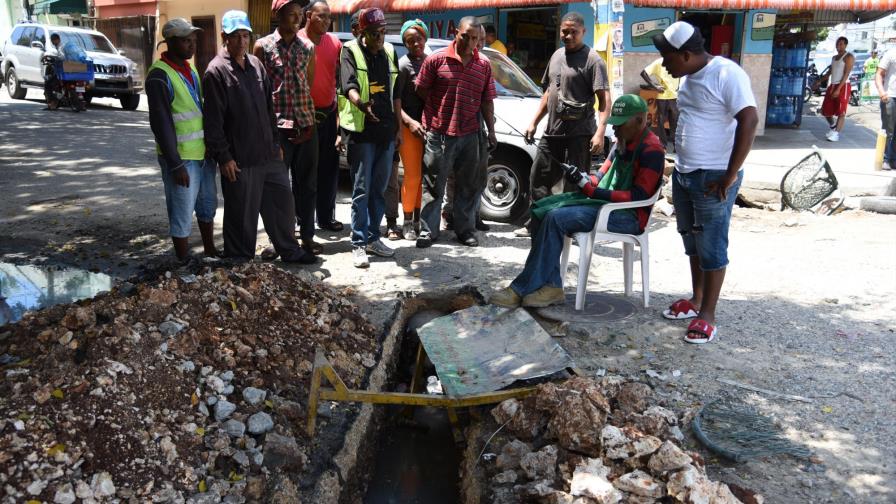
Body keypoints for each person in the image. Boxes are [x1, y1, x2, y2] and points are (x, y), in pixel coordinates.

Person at [490, 95, 664, 308]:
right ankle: (552, 285)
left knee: (556, 218)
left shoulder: (652, 150)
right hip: (603, 206)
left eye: (620, 125)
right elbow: (598, 177)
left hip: (628, 216)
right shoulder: (621, 142)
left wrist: (594, 192)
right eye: (614, 125)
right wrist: (581, 178)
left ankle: (522, 288)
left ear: (639, 120)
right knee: (540, 210)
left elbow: (639, 197)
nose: (616, 130)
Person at [652, 21, 758, 344]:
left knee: (712, 244)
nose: (664, 64)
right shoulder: (688, 77)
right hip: (685, 173)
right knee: (692, 241)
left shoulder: (727, 74)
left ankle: (708, 315)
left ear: (685, 55)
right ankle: (696, 300)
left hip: (714, 178)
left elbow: (749, 119)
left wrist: (729, 174)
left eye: (667, 58)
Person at [203, 10, 315, 264]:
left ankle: (289, 250)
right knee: (242, 213)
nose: (242, 42)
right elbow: (213, 123)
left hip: (268, 153)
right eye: (236, 36)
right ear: (224, 37)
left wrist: (276, 143)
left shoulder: (255, 65)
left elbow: (268, 109)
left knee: (282, 204)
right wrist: (224, 157)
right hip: (240, 158)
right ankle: (239, 258)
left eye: (246, 35)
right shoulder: (216, 71)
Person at [516, 12, 610, 238]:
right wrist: (534, 122)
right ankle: (536, 224)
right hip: (552, 131)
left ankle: (571, 229)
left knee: (576, 182)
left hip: (580, 133)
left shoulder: (593, 60)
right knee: (538, 177)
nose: (568, 36)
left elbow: (605, 100)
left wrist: (599, 133)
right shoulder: (557, 55)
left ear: (583, 32)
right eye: (564, 31)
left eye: (573, 32)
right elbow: (549, 92)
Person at [414, 16, 497, 248]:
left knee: (468, 186)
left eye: (475, 38)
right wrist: (436, 115)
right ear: (456, 33)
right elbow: (421, 90)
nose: (471, 42)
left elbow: (487, 101)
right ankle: (428, 232)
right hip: (439, 134)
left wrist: (491, 131)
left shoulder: (483, 65)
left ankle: (465, 230)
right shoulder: (436, 59)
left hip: (470, 134)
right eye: (466, 36)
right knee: (433, 184)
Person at [146, 18, 219, 263]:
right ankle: (183, 260)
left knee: (207, 205)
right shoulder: (159, 76)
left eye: (194, 40)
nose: (192, 45)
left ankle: (210, 251)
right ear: (171, 42)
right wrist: (174, 163)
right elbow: (161, 123)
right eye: (186, 40)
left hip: (202, 154)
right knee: (181, 210)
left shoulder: (191, 70)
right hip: (181, 157)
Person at [255, 0, 321, 257]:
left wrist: (306, 120)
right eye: (290, 14)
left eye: (299, 15)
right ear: (277, 15)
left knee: (307, 186)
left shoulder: (308, 47)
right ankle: (278, 239)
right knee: (277, 189)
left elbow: (309, 83)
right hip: (277, 129)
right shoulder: (263, 46)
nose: (296, 19)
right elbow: (259, 88)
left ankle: (306, 236)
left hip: (306, 126)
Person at [338, 8, 402, 268]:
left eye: (383, 32)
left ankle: (374, 238)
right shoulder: (350, 51)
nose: (380, 38)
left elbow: (396, 92)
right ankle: (358, 243)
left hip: (385, 131)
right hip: (361, 131)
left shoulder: (389, 52)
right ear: (362, 32)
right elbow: (348, 86)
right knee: (361, 189)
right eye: (374, 33)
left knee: (379, 188)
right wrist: (362, 105)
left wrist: (397, 128)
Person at [298, 0, 345, 232]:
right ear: (308, 15)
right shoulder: (296, 42)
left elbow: (340, 84)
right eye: (321, 17)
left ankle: (326, 217)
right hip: (302, 117)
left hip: (328, 114)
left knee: (329, 169)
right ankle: (302, 221)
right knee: (305, 172)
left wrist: (339, 126)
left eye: (329, 18)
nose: (326, 22)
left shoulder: (335, 43)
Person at [395, 19, 429, 240]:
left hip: (429, 129)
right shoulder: (403, 65)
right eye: (410, 41)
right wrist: (408, 123)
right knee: (412, 176)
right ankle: (407, 221)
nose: (415, 43)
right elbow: (395, 100)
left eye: (418, 38)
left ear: (424, 38)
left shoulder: (431, 61)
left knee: (425, 178)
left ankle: (419, 219)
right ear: (405, 44)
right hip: (409, 128)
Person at [641, 56, 680, 152]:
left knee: (675, 121)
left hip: (675, 96)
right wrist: (654, 86)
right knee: (661, 121)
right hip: (663, 97)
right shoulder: (658, 62)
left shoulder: (676, 60)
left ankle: (676, 146)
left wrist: (680, 86)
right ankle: (663, 145)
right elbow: (643, 73)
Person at [821, 37, 854, 142]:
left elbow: (846, 74)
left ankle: (836, 134)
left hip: (843, 86)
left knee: (841, 112)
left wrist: (839, 89)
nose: (838, 46)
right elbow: (830, 71)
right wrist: (819, 81)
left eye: (841, 44)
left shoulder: (848, 56)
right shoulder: (834, 57)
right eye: (837, 44)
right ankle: (833, 127)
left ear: (845, 45)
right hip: (833, 85)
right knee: (825, 110)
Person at [875, 47, 896, 171]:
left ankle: (893, 160)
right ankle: (886, 159)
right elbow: (879, 73)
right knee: (889, 130)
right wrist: (882, 92)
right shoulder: (891, 53)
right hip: (890, 96)